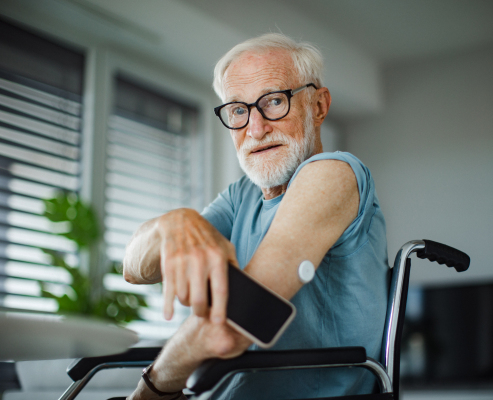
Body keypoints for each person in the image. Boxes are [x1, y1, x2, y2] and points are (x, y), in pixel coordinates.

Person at [123, 33, 389, 400]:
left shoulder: (333, 174)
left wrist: (148, 390)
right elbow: (136, 269)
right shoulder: (241, 197)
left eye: (275, 101)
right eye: (237, 110)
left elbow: (239, 322)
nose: (256, 128)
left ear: (318, 105)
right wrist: (175, 223)